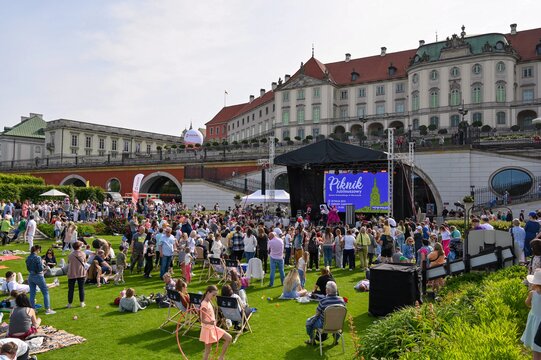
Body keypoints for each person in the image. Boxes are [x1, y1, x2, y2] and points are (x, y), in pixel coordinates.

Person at [305, 281, 345, 345]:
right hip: (338, 325)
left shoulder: (323, 301)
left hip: (324, 326)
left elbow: (317, 314)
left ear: (328, 290)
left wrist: (311, 321)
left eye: (326, 288)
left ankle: (312, 340)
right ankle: (336, 340)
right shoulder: (342, 301)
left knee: (308, 321)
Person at [199, 285, 232, 360]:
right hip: (208, 329)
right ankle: (220, 358)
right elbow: (202, 320)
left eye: (215, 295)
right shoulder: (204, 304)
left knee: (229, 338)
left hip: (212, 328)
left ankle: (221, 357)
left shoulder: (209, 301)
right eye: (213, 295)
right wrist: (210, 322)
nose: (214, 297)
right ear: (208, 293)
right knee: (208, 351)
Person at [25, 245, 55, 314]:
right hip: (38, 276)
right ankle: (47, 309)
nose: (39, 252)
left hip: (30, 276)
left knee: (32, 293)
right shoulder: (38, 258)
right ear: (37, 250)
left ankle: (33, 309)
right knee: (45, 292)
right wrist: (44, 266)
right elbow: (40, 269)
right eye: (39, 250)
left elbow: (28, 268)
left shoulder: (28, 257)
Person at [521, 269, 541, 359]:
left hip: (535, 323)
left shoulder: (532, 294)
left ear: (535, 284)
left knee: (536, 349)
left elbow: (527, 303)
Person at [67, 241, 87, 308]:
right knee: (81, 288)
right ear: (79, 247)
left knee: (71, 289)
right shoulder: (83, 254)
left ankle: (69, 304)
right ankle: (82, 302)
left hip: (72, 272)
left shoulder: (70, 255)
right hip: (81, 272)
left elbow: (68, 262)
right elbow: (84, 261)